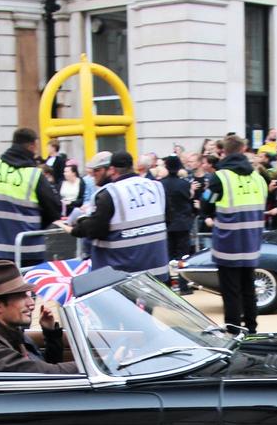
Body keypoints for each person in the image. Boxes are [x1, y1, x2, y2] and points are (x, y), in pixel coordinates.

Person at [0, 260, 79, 374]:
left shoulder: (10, 333)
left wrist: (50, 332)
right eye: (22, 297)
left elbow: (44, 366)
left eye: (29, 295)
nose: (31, 303)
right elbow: (47, 374)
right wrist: (96, 364)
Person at [200, 135, 267, 333]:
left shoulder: (220, 177)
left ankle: (233, 330)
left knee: (231, 291)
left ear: (224, 151)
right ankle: (252, 329)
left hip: (229, 243)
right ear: (244, 149)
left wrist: (208, 215)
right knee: (249, 288)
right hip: (252, 242)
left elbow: (207, 202)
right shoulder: (258, 177)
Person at [69, 150, 170, 279]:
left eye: (96, 171)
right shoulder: (156, 187)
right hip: (157, 271)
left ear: (111, 169)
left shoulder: (109, 193)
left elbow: (95, 230)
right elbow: (168, 220)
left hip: (123, 275)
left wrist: (80, 224)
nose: (93, 175)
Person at [0, 128, 62, 266]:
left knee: (1, 287)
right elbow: (54, 209)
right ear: (32, 145)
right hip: (28, 247)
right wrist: (35, 225)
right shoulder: (34, 175)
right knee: (28, 286)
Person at [159, 155, 196, 292]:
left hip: (167, 224)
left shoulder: (161, 184)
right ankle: (183, 285)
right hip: (183, 223)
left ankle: (167, 284)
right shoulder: (185, 184)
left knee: (167, 255)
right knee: (183, 256)